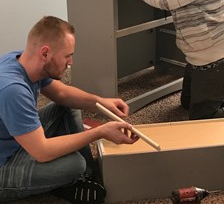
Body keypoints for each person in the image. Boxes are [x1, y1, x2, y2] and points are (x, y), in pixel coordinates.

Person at [0, 16, 139, 204]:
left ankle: (85, 177)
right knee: (74, 164)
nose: (70, 62)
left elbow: (63, 94)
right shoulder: (12, 89)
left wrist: (101, 102)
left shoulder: (22, 59)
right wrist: (100, 132)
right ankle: (72, 178)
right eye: (67, 56)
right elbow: (42, 151)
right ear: (45, 53)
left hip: (15, 140)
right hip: (5, 162)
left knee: (69, 107)